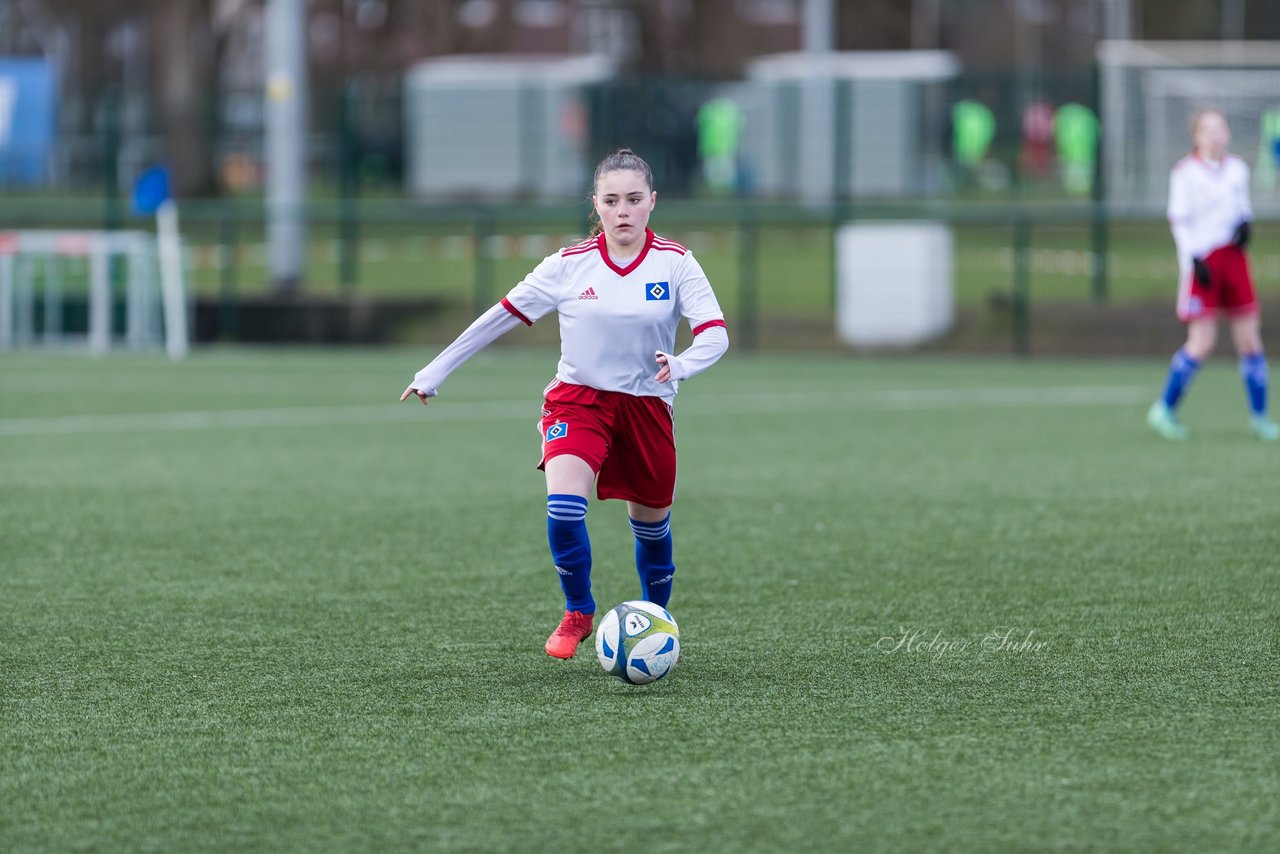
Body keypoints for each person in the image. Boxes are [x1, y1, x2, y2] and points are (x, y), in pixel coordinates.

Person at [400, 149, 729, 658]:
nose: (623, 211)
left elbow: (715, 334)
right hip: (578, 402)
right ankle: (578, 610)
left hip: (646, 406)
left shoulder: (676, 262)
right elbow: (500, 316)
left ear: (652, 203)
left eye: (634, 200)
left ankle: (658, 621)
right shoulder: (568, 265)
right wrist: (434, 370)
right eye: (612, 200)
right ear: (594, 204)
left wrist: (680, 364)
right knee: (563, 504)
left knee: (652, 526)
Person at [1148, 108, 1279, 442]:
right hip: (1203, 263)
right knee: (1202, 343)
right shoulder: (1185, 173)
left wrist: (1244, 227)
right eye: (1207, 129)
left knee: (1250, 340)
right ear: (1196, 136)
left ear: (1229, 134)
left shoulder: (1237, 169)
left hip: (1234, 260)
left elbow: (1241, 208)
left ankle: (1260, 417)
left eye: (1220, 128)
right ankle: (1164, 409)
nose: (1215, 135)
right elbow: (1179, 219)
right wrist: (1193, 258)